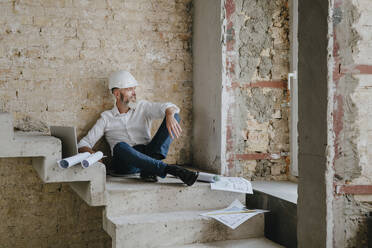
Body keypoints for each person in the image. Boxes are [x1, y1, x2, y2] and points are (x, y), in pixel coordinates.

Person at [77, 70, 198, 186]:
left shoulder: (142, 107)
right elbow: (83, 143)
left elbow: (168, 107)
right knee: (120, 146)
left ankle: (150, 169)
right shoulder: (106, 117)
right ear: (117, 94)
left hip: (148, 154)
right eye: (129, 89)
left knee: (174, 116)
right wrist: (93, 156)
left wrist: (170, 114)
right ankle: (171, 169)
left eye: (134, 89)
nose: (134, 93)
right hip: (125, 163)